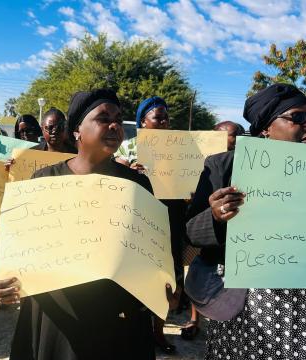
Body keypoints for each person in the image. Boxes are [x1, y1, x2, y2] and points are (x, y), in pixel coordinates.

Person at [0, 89, 175, 359]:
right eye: (103, 118)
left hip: (118, 319)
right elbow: (20, 243)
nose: (114, 125)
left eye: (119, 119)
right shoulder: (43, 180)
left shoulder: (136, 184)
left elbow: (150, 248)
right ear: (77, 130)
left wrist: (163, 282)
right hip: (57, 316)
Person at [187, 83, 306, 359]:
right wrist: (216, 217)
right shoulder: (224, 166)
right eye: (298, 118)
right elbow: (192, 231)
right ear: (266, 127)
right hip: (248, 299)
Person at [115, 96, 191, 353]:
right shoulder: (128, 147)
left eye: (166, 117)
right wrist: (129, 170)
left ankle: (158, 332)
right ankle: (134, 332)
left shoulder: (180, 148)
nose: (164, 121)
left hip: (170, 219)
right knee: (136, 275)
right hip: (138, 220)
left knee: (165, 279)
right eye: (158, 117)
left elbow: (191, 180)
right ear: (143, 121)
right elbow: (114, 177)